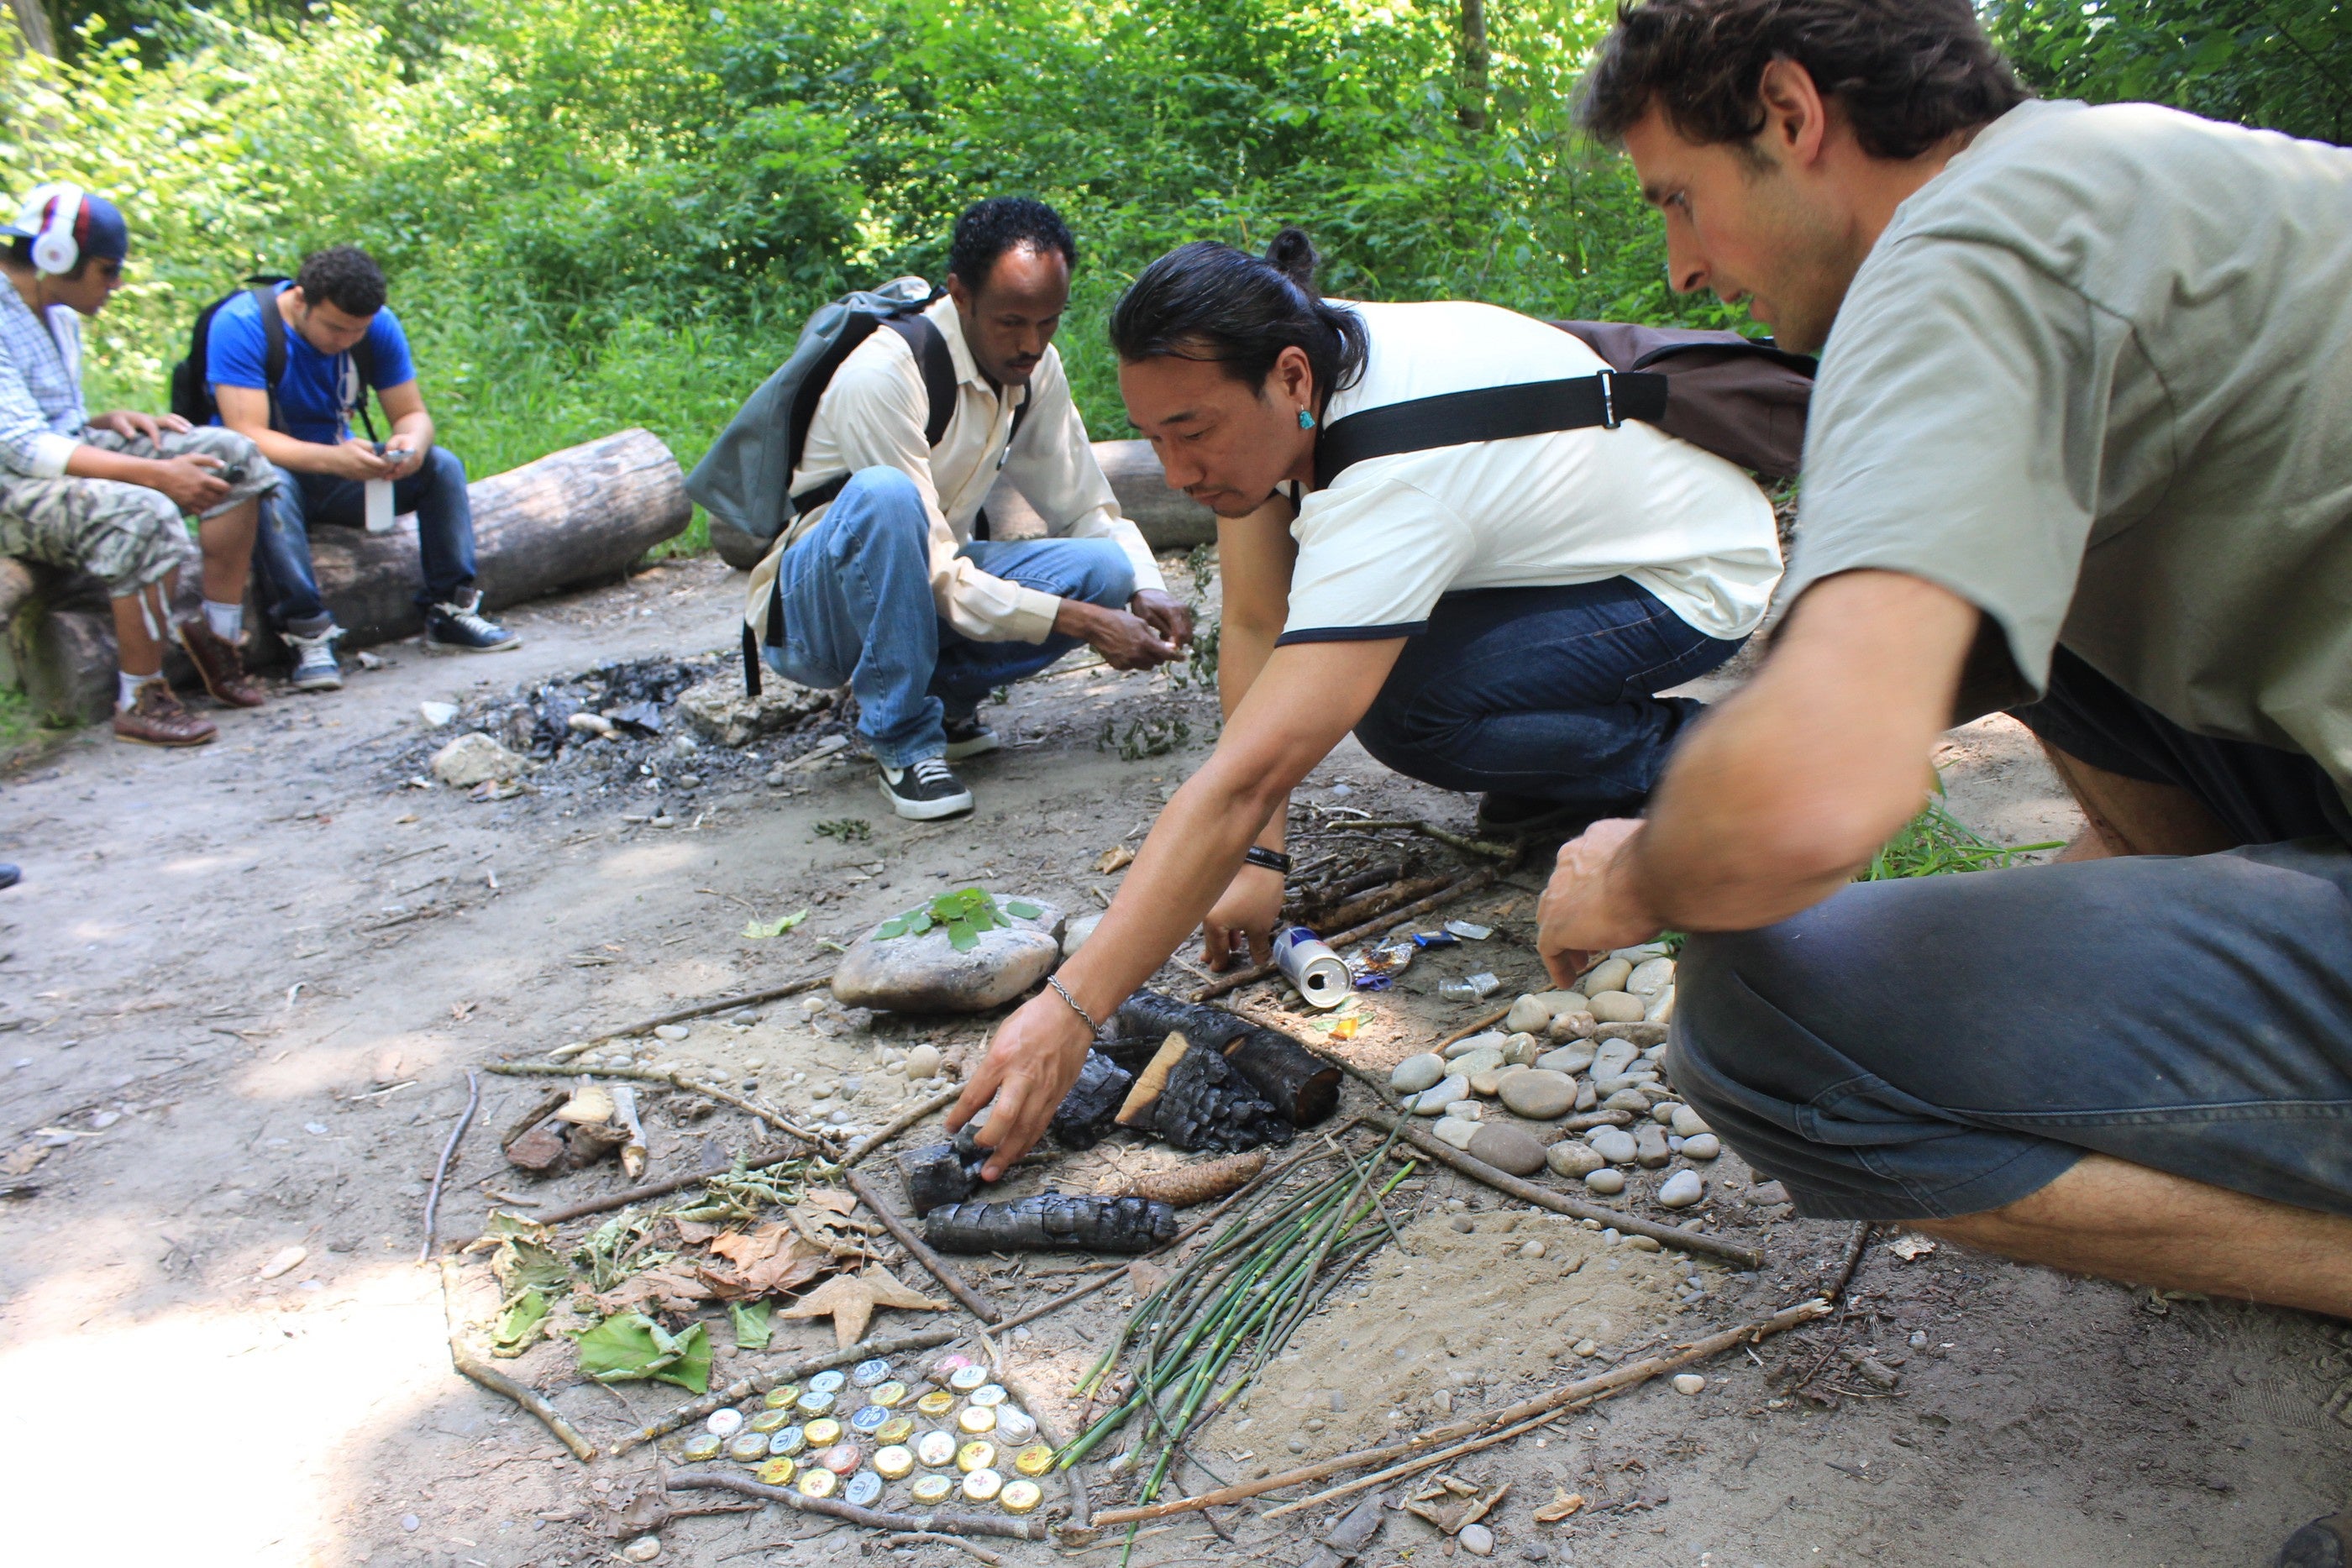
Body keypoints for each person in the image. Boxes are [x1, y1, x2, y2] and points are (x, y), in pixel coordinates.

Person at [1545, 0, 2352, 1340]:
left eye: (1679, 198)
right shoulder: (2144, 170)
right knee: (2034, 619)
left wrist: (1629, 874)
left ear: (1795, 117)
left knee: (1759, 1022)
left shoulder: (1956, 247)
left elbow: (1803, 804)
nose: (1680, 267)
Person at [939, 228, 1781, 1163]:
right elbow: (1258, 624)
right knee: (1397, 688)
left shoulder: (1389, 472)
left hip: (1686, 572)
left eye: (1192, 432)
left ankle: (1707, 755)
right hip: (1551, 555)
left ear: (1290, 381)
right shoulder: (1291, 384)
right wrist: (1259, 855)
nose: (1175, 474)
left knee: (1410, 712)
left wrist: (1068, 1009)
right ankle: (1558, 767)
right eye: (1153, 438)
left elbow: (1249, 770)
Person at [743, 196, 1192, 821]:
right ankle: (903, 739)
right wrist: (1086, 623)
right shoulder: (883, 375)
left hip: (924, 581)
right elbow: (937, 573)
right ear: (960, 294)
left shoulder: (1037, 369)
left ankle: (944, 700)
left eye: (1048, 322)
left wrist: (1147, 588)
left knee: (1107, 570)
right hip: (815, 618)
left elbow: (1086, 503)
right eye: (1011, 321)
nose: (1030, 343)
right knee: (884, 495)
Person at [0, 183, 276, 746]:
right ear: (56, 256)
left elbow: (52, 421)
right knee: (144, 510)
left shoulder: (57, 313)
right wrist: (155, 474)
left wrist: (103, 421)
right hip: (10, 486)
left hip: (50, 461)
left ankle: (217, 640)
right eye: (107, 270)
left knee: (233, 455)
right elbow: (21, 447)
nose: (116, 283)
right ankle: (141, 696)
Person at [208, 244, 517, 690]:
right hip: (271, 473)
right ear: (301, 300)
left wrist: (409, 447)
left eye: (358, 331)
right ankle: (306, 633)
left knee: (442, 466)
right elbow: (247, 435)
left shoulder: (376, 328)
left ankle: (451, 610)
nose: (347, 341)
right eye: (335, 328)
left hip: (339, 466)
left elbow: (413, 414)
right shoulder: (241, 326)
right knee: (272, 484)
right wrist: (332, 459)